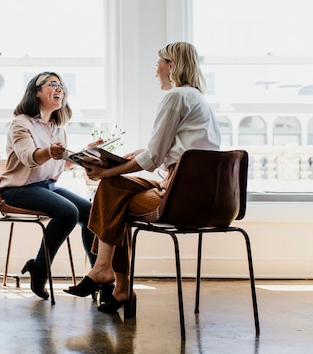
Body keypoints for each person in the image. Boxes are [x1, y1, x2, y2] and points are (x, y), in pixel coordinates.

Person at [64, 42, 221, 314]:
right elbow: (168, 153)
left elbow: (154, 157)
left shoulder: (175, 97)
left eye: (158, 63)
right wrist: (138, 155)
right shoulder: (196, 98)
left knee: (112, 194)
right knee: (114, 190)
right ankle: (119, 287)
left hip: (180, 196)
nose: (155, 71)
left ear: (171, 66)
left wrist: (106, 170)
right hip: (197, 191)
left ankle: (104, 270)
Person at [0, 71, 98, 300]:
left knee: (91, 213)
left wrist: (86, 153)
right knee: (68, 212)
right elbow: (27, 157)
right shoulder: (21, 123)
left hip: (45, 187)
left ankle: (97, 277)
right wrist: (49, 152)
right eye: (53, 84)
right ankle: (39, 267)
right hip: (18, 189)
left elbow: (61, 165)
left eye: (61, 85)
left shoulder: (57, 127)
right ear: (36, 91)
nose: (60, 88)